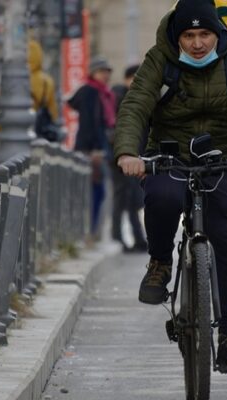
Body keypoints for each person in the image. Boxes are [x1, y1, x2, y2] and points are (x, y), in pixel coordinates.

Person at [113, 0, 227, 373]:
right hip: (168, 155)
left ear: (217, 33)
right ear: (177, 36)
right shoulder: (160, 58)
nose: (198, 43)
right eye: (189, 35)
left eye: (204, 34)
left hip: (221, 158)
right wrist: (128, 152)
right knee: (162, 197)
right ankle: (159, 263)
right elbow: (136, 105)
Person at [68, 56, 116, 240]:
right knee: (95, 191)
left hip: (96, 147)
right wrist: (94, 150)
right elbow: (90, 122)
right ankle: (89, 230)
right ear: (93, 73)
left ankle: (91, 230)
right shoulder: (91, 92)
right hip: (91, 149)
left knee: (96, 190)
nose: (106, 75)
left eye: (107, 72)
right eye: (102, 72)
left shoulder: (103, 93)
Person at [111, 64, 148, 253]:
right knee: (122, 199)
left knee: (133, 200)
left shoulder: (142, 98)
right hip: (121, 158)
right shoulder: (119, 97)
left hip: (136, 157)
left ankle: (138, 238)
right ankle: (117, 236)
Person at [28, 39, 60, 142]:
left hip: (18, 131)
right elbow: (53, 112)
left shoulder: (15, 78)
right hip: (40, 129)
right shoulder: (47, 81)